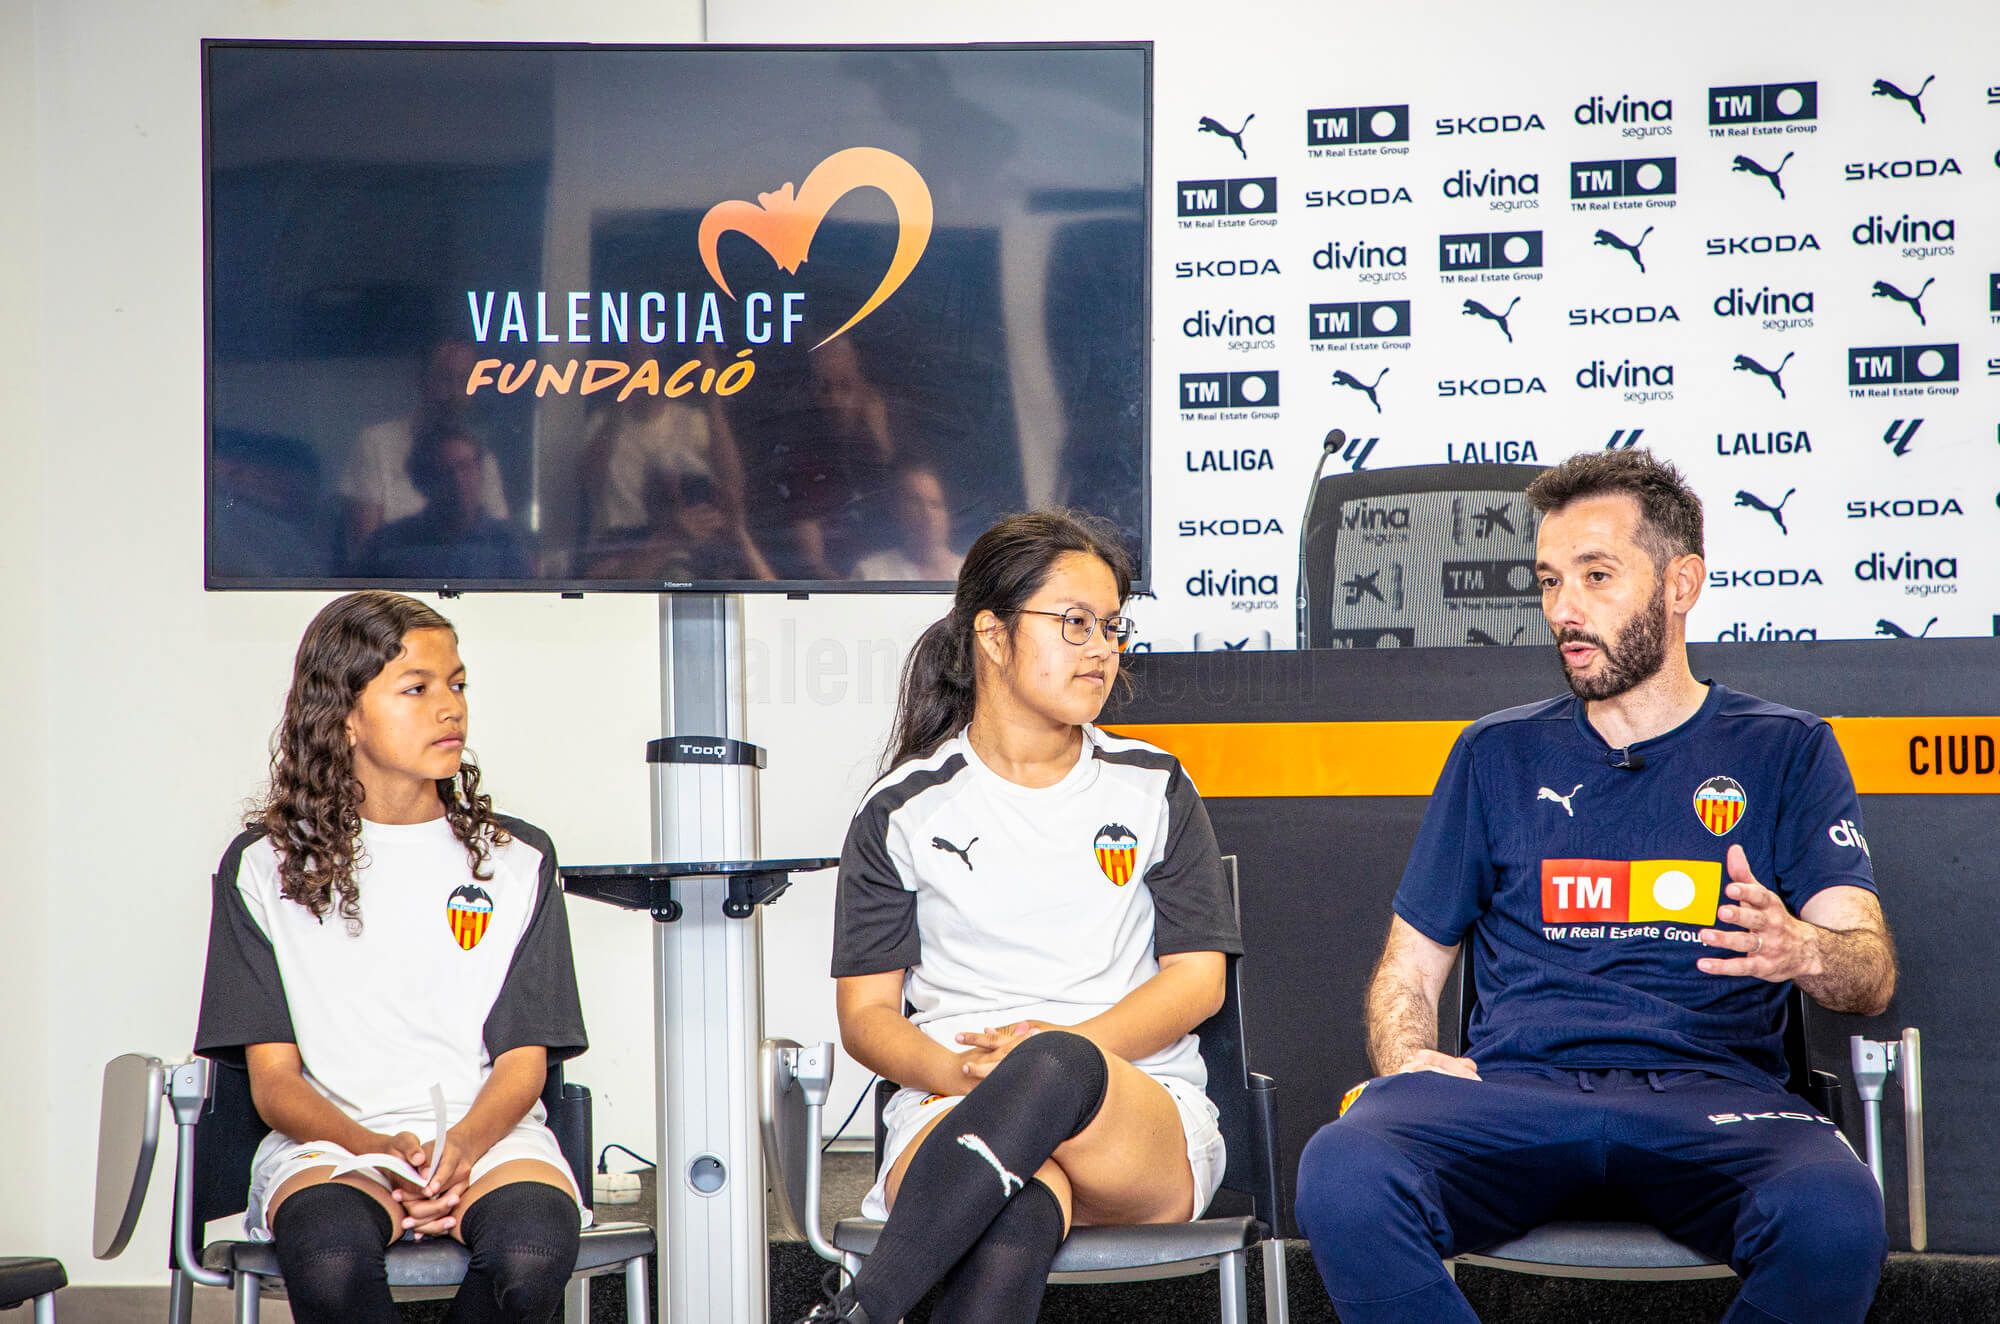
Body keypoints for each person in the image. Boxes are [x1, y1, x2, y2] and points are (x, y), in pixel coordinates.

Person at [1294, 450, 1896, 1323]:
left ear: (1680, 583)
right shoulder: (1493, 753)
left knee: (1836, 1212)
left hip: (1715, 1102)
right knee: (1344, 1166)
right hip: (1512, 1099)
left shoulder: (1789, 749)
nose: (1563, 611)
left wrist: (1801, 948)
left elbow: (1869, 973)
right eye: (1548, 582)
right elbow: (1408, 971)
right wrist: (1405, 1062)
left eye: (1597, 576)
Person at [798, 511, 1242, 1324]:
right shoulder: (901, 807)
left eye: (1113, 627)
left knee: (1058, 1064)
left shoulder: (1154, 785)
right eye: (1075, 624)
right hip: (953, 1102)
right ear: (993, 636)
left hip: (1132, 1110)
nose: (1103, 649)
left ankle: (862, 1310)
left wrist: (1053, 1053)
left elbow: (1198, 981)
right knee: (1014, 1217)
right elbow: (865, 1017)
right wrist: (962, 1074)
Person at [194, 591, 589, 1324]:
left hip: (490, 1140)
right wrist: (375, 1147)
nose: (451, 709)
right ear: (343, 714)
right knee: (333, 1260)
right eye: (417, 688)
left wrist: (462, 1149)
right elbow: (274, 1083)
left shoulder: (519, 858)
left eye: (458, 684)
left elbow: (523, 1063)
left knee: (531, 1258)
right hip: (331, 1144)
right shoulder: (261, 866)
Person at [340, 340, 509, 560]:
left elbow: (501, 546)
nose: (456, 393)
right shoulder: (376, 443)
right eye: (445, 379)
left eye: (465, 381)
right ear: (422, 381)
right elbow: (365, 552)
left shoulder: (482, 459)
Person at [358, 421, 533, 581]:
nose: (458, 481)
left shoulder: (507, 544)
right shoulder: (388, 544)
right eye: (445, 471)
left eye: (465, 467)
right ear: (423, 480)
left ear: (480, 471)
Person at [852, 463, 964, 582]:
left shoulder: (977, 573)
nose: (928, 515)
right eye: (915, 504)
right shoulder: (871, 574)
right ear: (896, 510)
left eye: (935, 504)